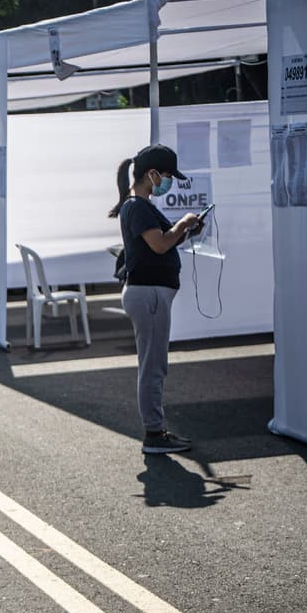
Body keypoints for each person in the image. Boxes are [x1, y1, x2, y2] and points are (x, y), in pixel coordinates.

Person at [110, 144, 200, 455]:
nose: (168, 181)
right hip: (149, 293)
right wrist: (183, 224)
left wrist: (185, 231)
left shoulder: (138, 205)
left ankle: (156, 429)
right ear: (151, 174)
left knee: (153, 364)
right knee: (153, 366)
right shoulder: (138, 207)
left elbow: (159, 243)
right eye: (166, 175)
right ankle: (154, 433)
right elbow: (160, 245)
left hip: (149, 293)